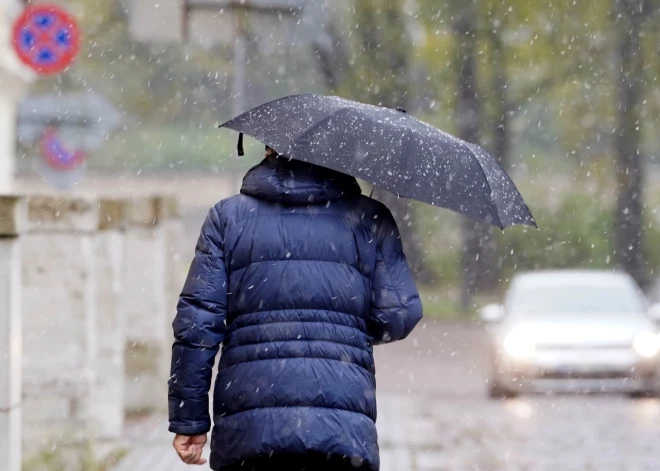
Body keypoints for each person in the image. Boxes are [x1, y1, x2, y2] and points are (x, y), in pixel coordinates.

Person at [169, 145, 423, 471]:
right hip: (342, 433)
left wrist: (188, 420)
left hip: (249, 434)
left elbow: (197, 325)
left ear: (268, 150)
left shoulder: (227, 218)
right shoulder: (368, 217)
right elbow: (400, 315)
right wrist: (346, 326)